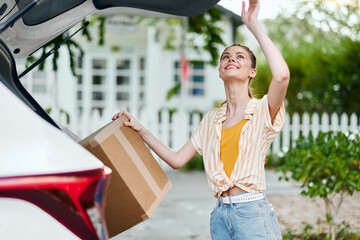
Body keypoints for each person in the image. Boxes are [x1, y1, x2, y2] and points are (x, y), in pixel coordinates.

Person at [113, 0, 289, 239]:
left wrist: (253, 25)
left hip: (252, 213)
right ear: (219, 72)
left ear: (252, 72)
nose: (231, 59)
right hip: (219, 216)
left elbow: (282, 75)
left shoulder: (262, 111)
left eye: (239, 57)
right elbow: (176, 159)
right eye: (225, 57)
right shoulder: (212, 120)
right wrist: (140, 129)